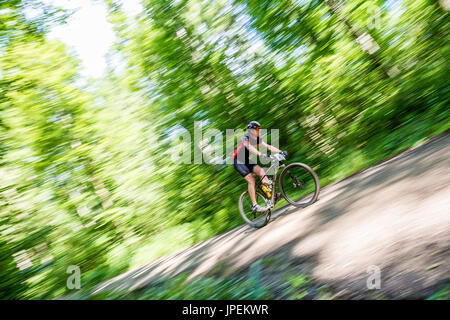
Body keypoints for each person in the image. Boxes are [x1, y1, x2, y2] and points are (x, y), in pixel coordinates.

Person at [232, 121, 287, 213]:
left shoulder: (258, 139)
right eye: (258, 128)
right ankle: (254, 205)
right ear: (252, 130)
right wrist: (261, 154)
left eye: (260, 128)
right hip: (238, 161)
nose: (260, 130)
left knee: (262, 172)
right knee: (251, 180)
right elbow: (249, 147)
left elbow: (268, 147)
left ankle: (272, 196)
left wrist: (280, 152)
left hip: (246, 160)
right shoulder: (245, 138)